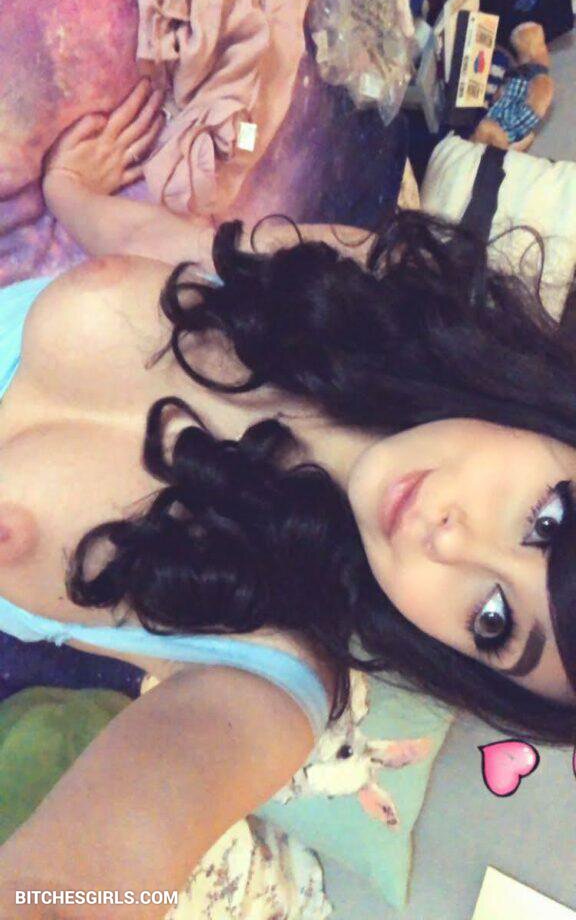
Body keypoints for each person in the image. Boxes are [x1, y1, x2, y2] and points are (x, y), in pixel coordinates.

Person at [0, 79, 575, 918]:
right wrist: (69, 193)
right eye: (548, 521)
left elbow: (77, 885)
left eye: (492, 621)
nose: (451, 541)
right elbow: (162, 245)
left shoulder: (272, 682)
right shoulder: (360, 290)